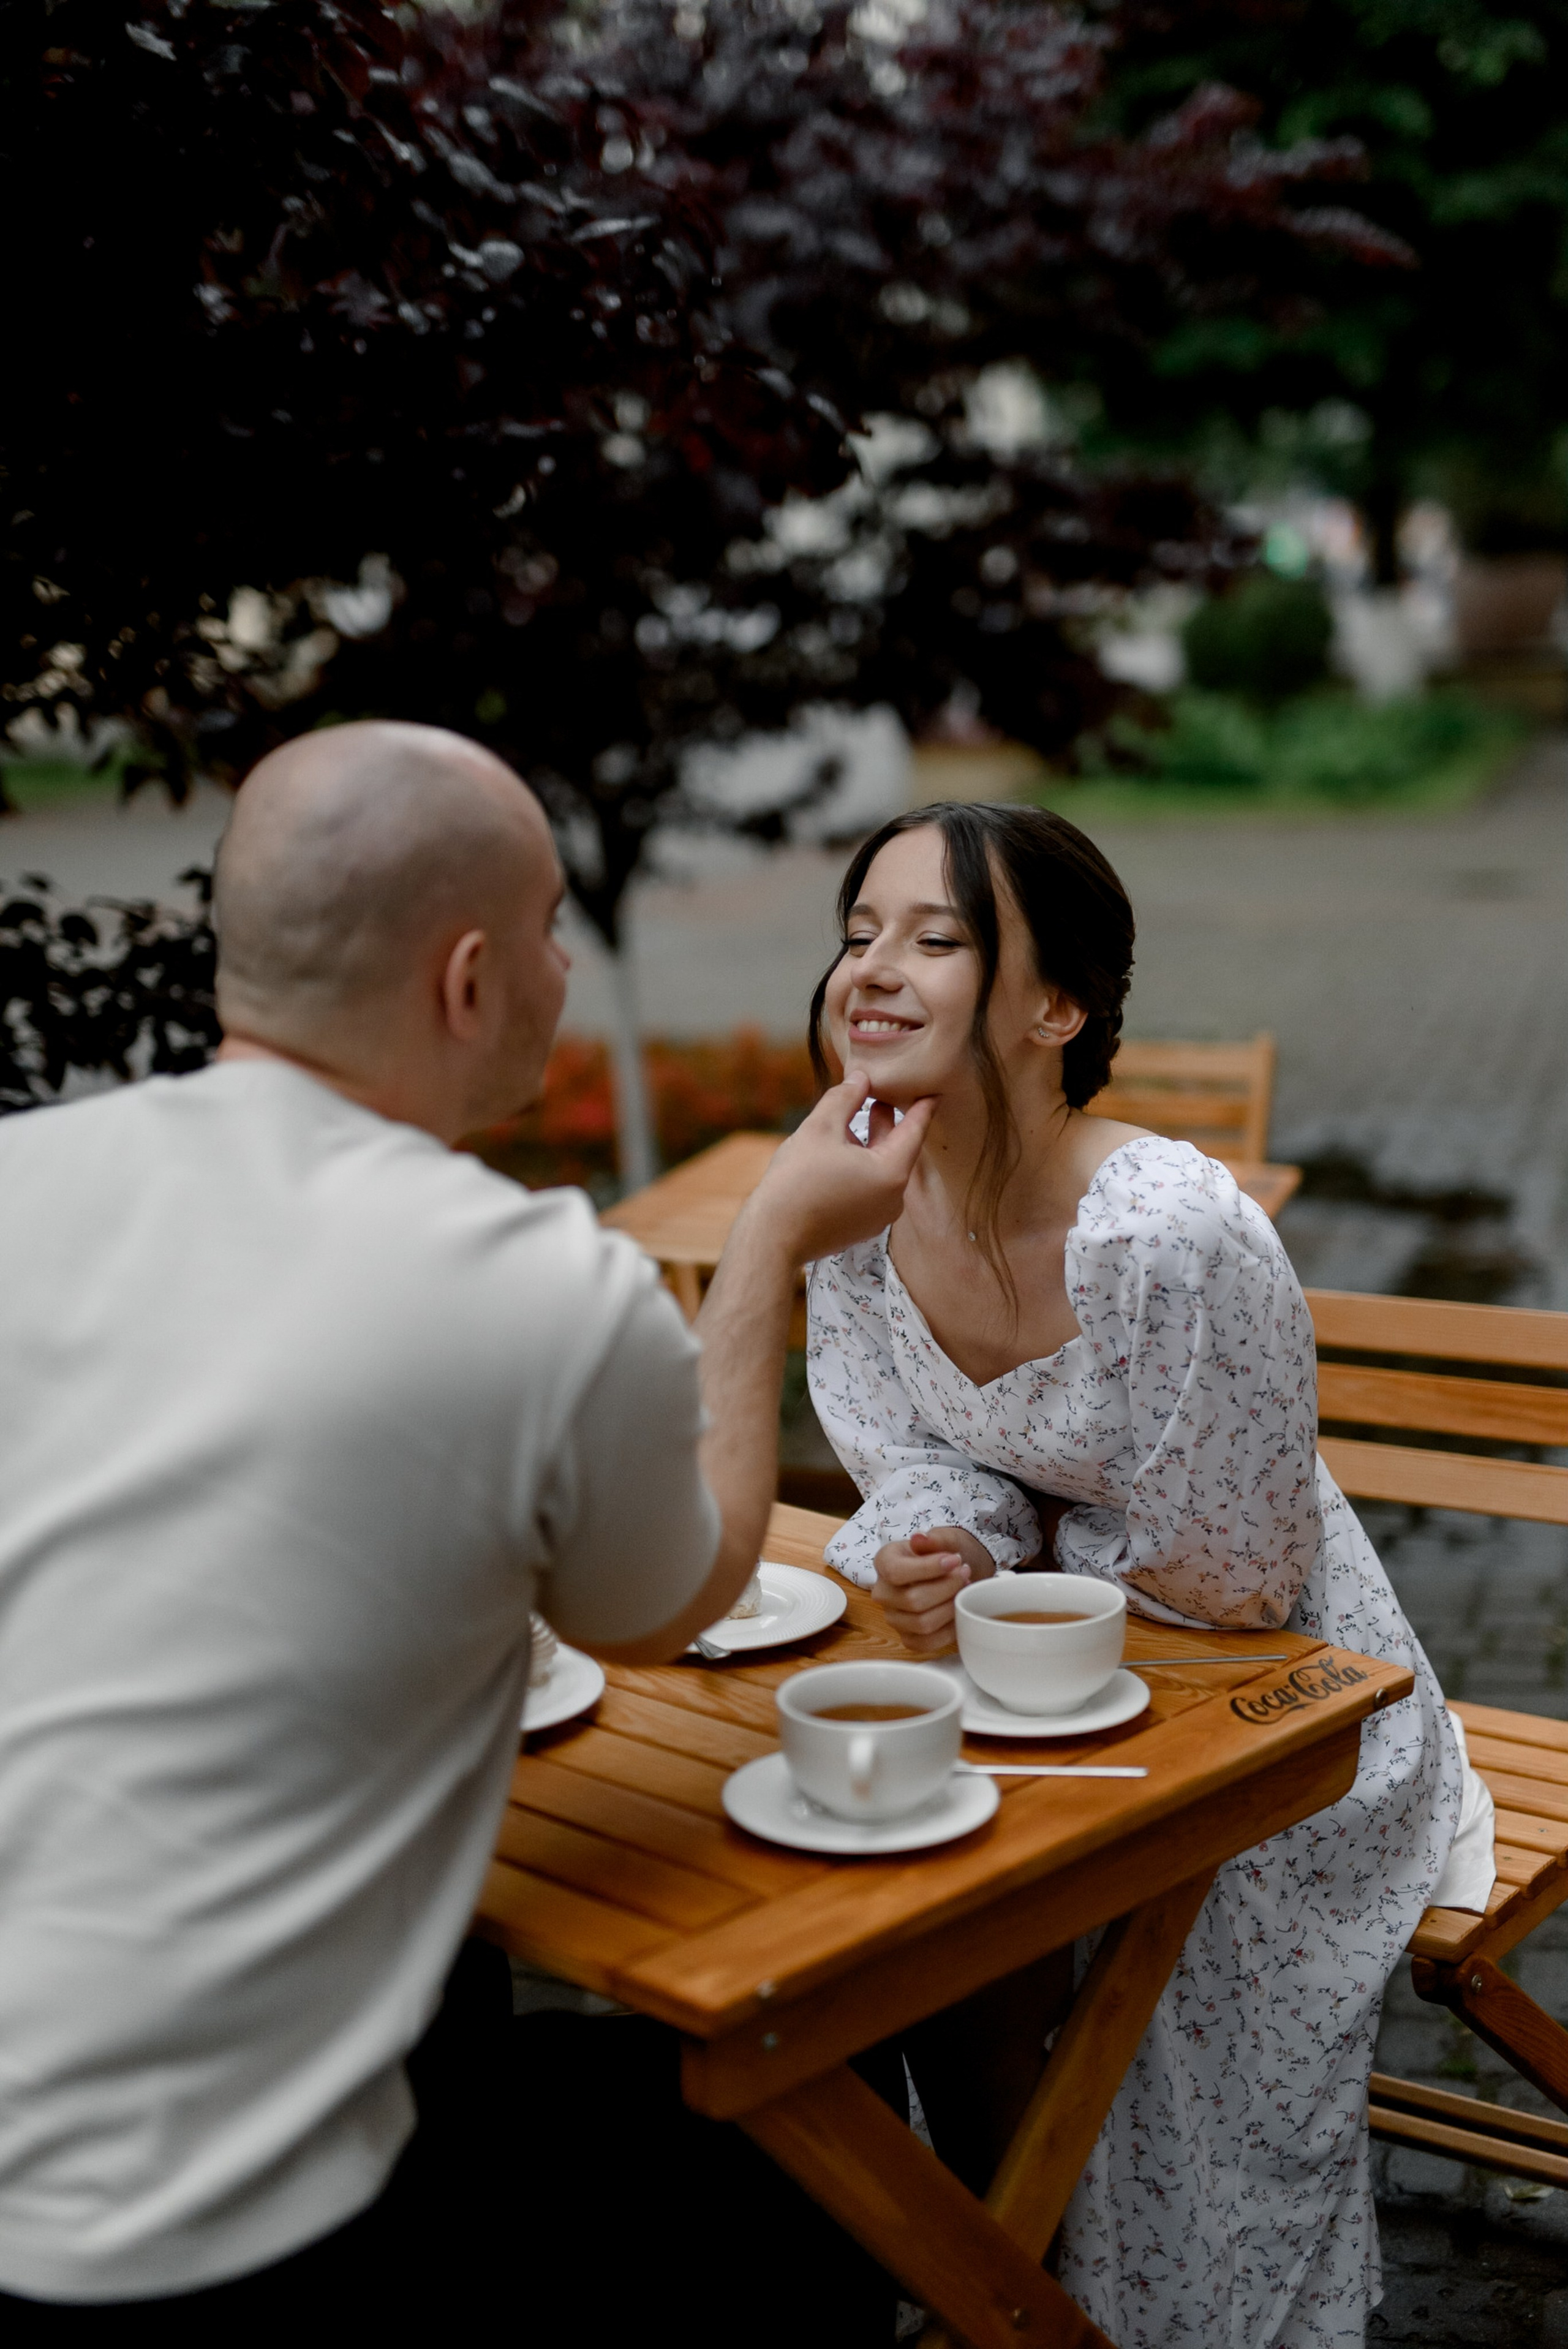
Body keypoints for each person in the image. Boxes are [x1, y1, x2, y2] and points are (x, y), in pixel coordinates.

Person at [0, 721, 933, 2324]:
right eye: (559, 929)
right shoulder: (526, 1283)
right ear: (472, 977)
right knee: (838, 2158)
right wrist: (770, 1232)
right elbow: (671, 1596)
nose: (572, 966)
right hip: (198, 2224)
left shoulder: (25, 1175)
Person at [802, 800, 1490, 2349]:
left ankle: (1092, 2293)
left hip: (1283, 1706)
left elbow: (1238, 1577)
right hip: (1030, 1672)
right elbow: (899, 1440)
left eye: (936, 937)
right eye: (856, 935)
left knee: (1090, 1949)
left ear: (1058, 1008)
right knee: (891, 1883)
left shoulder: (1164, 1232)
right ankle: (1006, 2268)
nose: (872, 970)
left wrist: (1006, 1570)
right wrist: (944, 1532)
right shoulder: (854, 1191)